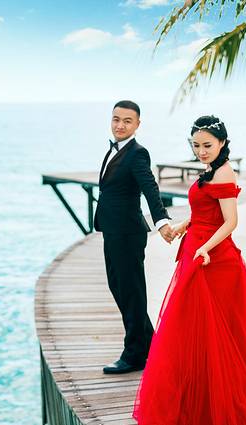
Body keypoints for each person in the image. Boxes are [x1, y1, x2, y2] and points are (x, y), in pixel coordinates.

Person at [132, 115, 246, 425]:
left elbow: (231, 221)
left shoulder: (224, 172)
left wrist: (205, 247)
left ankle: (218, 401)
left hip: (214, 260)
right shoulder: (211, 169)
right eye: (196, 145)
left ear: (222, 143)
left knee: (217, 333)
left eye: (207, 145)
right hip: (196, 250)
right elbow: (206, 209)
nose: (201, 151)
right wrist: (185, 224)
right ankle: (198, 397)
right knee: (192, 329)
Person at [93, 100, 174, 375]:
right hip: (113, 230)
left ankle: (134, 354)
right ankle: (150, 346)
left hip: (127, 233)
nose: (120, 125)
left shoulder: (138, 153)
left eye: (127, 121)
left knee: (130, 292)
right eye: (116, 119)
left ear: (138, 124)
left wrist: (161, 220)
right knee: (120, 287)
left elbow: (150, 187)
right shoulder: (115, 149)